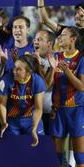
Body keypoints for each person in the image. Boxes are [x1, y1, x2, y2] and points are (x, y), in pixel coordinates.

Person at [46, 27, 84, 166]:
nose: (60, 37)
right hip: (58, 111)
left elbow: (81, 86)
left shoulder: (81, 58)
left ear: (73, 39)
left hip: (77, 110)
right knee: (57, 157)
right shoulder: (56, 57)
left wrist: (67, 71)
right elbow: (47, 86)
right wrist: (51, 67)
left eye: (63, 34)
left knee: (80, 158)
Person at [0, 55, 45, 147]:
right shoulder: (5, 80)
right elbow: (1, 104)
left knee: (37, 149)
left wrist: (34, 128)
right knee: (12, 150)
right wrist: (3, 122)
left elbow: (38, 108)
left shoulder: (38, 81)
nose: (14, 71)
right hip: (12, 122)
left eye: (19, 69)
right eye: (14, 67)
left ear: (28, 72)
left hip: (31, 120)